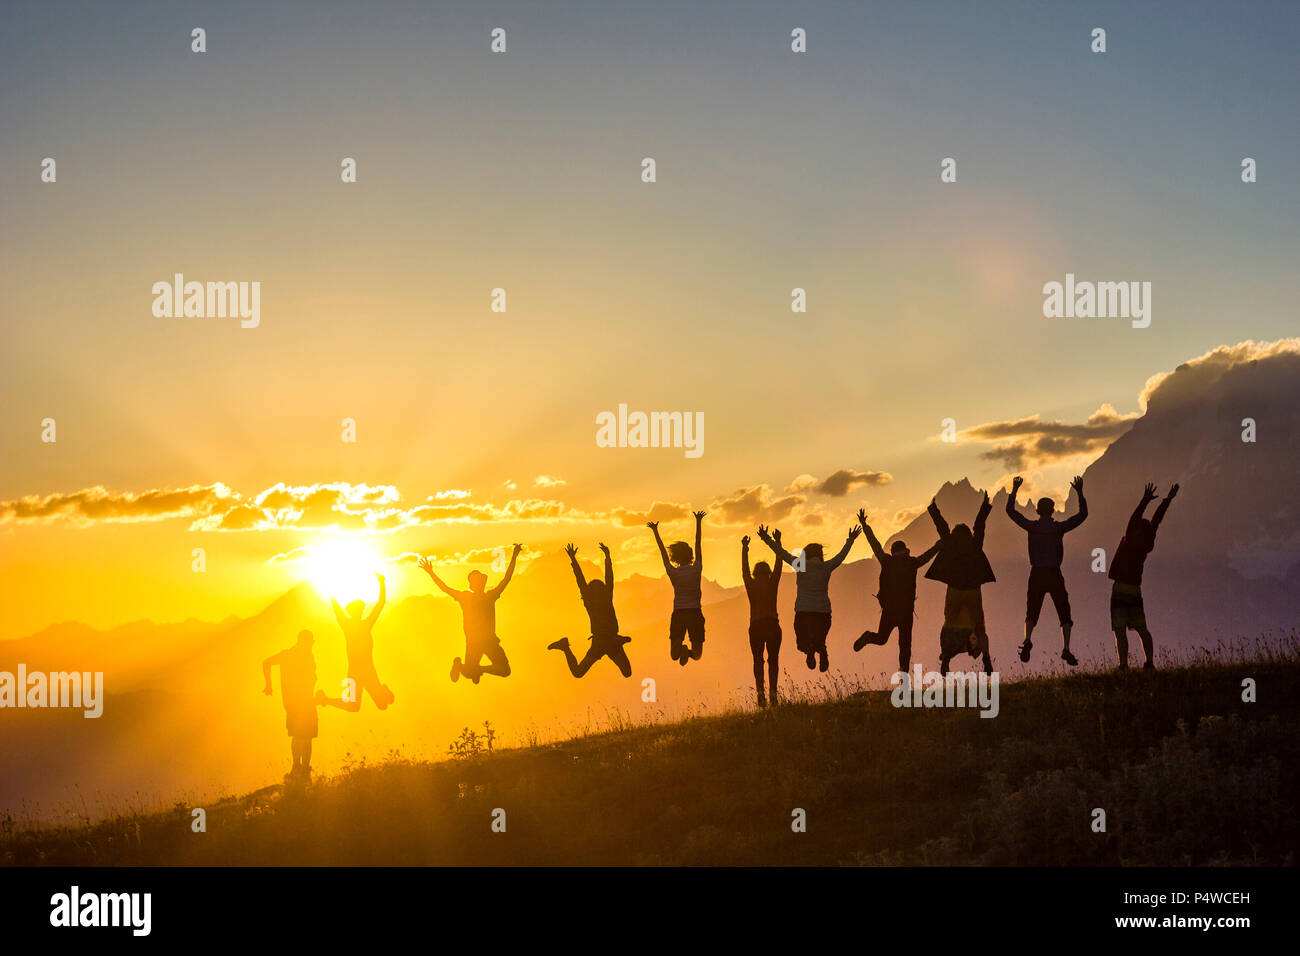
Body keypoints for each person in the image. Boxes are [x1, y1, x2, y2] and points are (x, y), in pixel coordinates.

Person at [1005, 475, 1089, 666]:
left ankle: (1027, 640)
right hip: (1054, 573)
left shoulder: (1032, 527)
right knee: (1064, 610)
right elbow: (1082, 516)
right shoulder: (1058, 528)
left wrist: (1015, 490)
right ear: (1052, 511)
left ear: (1037, 511)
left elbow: (1011, 511)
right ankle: (1066, 648)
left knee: (1032, 610)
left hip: (1036, 573)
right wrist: (1080, 493)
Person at [757, 524, 860, 672]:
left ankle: (810, 650)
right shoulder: (826, 566)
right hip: (823, 613)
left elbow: (781, 553)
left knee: (801, 644)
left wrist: (767, 538)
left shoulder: (800, 565)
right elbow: (841, 556)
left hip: (803, 612)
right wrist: (850, 540)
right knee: (820, 641)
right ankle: (821, 651)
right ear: (820, 555)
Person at [852, 508, 940, 673]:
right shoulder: (912, 562)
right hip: (906, 611)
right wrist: (941, 543)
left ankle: (868, 637)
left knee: (881, 638)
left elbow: (875, 544)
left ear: (893, 552)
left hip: (889, 610)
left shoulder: (887, 561)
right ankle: (903, 677)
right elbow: (929, 554)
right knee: (905, 645)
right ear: (905, 550)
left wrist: (865, 525)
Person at [419, 544, 522, 683]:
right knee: (504, 670)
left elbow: (445, 588)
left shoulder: (465, 597)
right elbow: (507, 578)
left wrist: (430, 572)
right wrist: (515, 555)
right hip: (489, 642)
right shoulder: (489, 596)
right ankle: (475, 669)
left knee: (469, 672)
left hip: (473, 642)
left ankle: (465, 667)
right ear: (482, 583)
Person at [1110, 483, 1178, 670]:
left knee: (1119, 630)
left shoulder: (1130, 537)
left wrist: (1145, 500)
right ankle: (1149, 663)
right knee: (1141, 628)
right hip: (1135, 589)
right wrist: (1167, 501)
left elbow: (1136, 518)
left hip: (1120, 587)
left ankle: (1123, 665)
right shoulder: (1146, 544)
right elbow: (1157, 521)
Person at [925, 493, 995, 675]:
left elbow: (942, 528)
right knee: (979, 626)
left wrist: (933, 509)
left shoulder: (950, 543)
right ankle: (986, 656)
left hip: (954, 589)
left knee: (949, 624)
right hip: (973, 590)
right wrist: (985, 507)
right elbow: (979, 526)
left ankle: (946, 657)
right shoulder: (974, 543)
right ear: (968, 534)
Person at [548, 543, 633, 678]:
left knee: (578, 672)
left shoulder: (591, 601)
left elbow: (581, 580)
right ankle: (565, 647)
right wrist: (607, 556)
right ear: (601, 589)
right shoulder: (605, 598)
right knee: (627, 673)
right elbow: (608, 579)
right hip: (609, 641)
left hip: (604, 641)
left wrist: (574, 559)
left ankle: (565, 647)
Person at [317, 572, 395, 711]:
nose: (362, 611)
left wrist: (328, 582)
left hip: (359, 671)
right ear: (358, 611)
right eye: (361, 609)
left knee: (372, 705)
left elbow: (336, 606)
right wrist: (381, 582)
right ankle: (324, 699)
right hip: (363, 671)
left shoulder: (351, 625)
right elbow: (380, 604)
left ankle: (325, 700)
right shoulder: (362, 624)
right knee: (358, 706)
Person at [648, 511, 707, 666]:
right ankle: (687, 651)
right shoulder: (696, 569)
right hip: (694, 612)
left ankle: (683, 650)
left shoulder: (673, 572)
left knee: (674, 656)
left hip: (679, 613)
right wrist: (698, 521)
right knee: (697, 655)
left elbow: (662, 553)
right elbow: (698, 543)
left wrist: (655, 531)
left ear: (674, 556)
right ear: (690, 555)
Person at [263, 629, 320, 779]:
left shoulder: (308, 655)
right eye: (309, 643)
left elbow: (312, 676)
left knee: (304, 736)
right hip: (295, 703)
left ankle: (302, 769)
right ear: (302, 641)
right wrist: (268, 685)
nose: (310, 646)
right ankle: (299, 769)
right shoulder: (287, 655)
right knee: (301, 736)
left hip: (306, 700)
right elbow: (266, 663)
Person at [742, 526, 784, 707]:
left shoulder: (751, 584)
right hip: (773, 625)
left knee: (758, 661)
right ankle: (773, 695)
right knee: (773, 661)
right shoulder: (772, 582)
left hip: (756, 626)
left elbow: (743, 571)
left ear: (754, 573)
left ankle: (760, 695)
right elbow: (779, 563)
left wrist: (745, 548)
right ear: (768, 572)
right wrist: (777, 543)